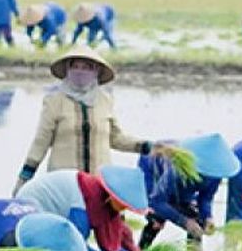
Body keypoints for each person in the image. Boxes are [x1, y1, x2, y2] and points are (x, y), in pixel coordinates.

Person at [15, 47, 160, 193]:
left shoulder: (105, 100)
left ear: (95, 71)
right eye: (75, 66)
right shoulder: (54, 101)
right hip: (65, 183)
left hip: (99, 183)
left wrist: (145, 146)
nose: (80, 72)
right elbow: (41, 142)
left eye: (86, 68)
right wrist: (24, 179)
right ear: (67, 70)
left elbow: (115, 138)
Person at [16, 166, 146, 251]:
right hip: (29, 208)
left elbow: (118, 239)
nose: (124, 209)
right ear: (113, 195)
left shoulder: (101, 198)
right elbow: (76, 247)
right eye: (123, 204)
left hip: (48, 209)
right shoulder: (83, 204)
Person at [137, 134, 241, 248]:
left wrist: (208, 217)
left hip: (184, 185)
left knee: (196, 222)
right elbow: (157, 201)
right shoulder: (178, 168)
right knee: (156, 220)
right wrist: (184, 222)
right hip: (154, 172)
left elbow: (205, 199)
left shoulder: (216, 174)